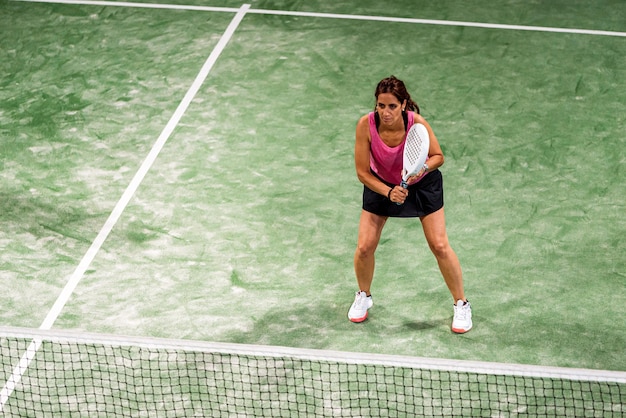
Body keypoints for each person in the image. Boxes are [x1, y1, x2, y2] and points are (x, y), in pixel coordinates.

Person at [348, 75, 472, 333]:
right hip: (380, 185)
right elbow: (362, 172)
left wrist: (422, 168)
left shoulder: (417, 124)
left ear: (403, 104)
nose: (385, 112)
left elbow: (438, 156)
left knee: (439, 245)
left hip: (422, 186)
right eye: (381, 105)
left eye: (392, 106)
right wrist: (388, 191)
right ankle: (363, 295)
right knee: (364, 247)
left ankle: (461, 303)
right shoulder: (365, 126)